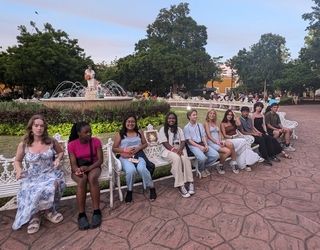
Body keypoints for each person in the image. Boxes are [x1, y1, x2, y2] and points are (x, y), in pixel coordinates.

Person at [12, 115, 65, 234]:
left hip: (49, 172)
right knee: (30, 188)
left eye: (42, 126)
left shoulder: (51, 141)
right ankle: (34, 216)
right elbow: (17, 160)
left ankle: (49, 211)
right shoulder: (24, 144)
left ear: (44, 128)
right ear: (31, 127)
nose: (39, 128)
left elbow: (61, 152)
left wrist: (57, 159)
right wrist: (19, 170)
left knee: (52, 184)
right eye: (36, 125)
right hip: (33, 174)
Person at [112, 115, 157, 203]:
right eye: (128, 121)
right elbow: (114, 148)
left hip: (138, 155)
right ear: (125, 123)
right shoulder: (120, 134)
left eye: (132, 121)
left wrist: (138, 148)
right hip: (125, 157)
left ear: (135, 123)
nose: (130, 123)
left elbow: (145, 144)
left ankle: (151, 187)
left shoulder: (139, 132)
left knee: (142, 168)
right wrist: (125, 150)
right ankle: (129, 190)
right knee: (131, 170)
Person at [68, 121, 103, 230]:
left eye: (90, 131)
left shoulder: (96, 142)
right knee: (82, 180)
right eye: (86, 132)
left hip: (93, 166)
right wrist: (77, 170)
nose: (89, 134)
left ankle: (96, 211)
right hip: (79, 168)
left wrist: (88, 168)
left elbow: (100, 160)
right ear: (79, 133)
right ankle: (81, 214)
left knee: (92, 178)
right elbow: (73, 164)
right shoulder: (72, 145)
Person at [204, 109, 253, 174]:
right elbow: (209, 136)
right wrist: (218, 142)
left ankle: (231, 163)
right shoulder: (206, 123)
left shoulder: (216, 122)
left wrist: (220, 140)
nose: (212, 115)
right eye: (210, 113)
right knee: (228, 151)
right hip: (211, 142)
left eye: (213, 113)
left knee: (231, 145)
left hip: (219, 141)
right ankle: (220, 165)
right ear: (208, 114)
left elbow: (219, 133)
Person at [158, 112, 195, 198]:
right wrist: (174, 150)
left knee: (185, 159)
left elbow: (183, 141)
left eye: (173, 118)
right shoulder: (163, 129)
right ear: (167, 119)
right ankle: (180, 185)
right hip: (168, 150)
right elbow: (165, 143)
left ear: (176, 120)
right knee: (176, 158)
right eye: (169, 118)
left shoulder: (179, 129)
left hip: (180, 149)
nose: (171, 120)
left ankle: (190, 182)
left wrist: (180, 149)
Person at [183, 109, 219, 178]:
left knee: (216, 155)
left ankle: (204, 166)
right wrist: (199, 147)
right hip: (193, 145)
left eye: (196, 115)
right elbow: (189, 141)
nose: (196, 116)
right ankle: (201, 169)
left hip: (202, 143)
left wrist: (206, 145)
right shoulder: (186, 128)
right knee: (202, 158)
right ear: (189, 116)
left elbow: (203, 136)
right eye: (194, 115)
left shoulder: (199, 125)